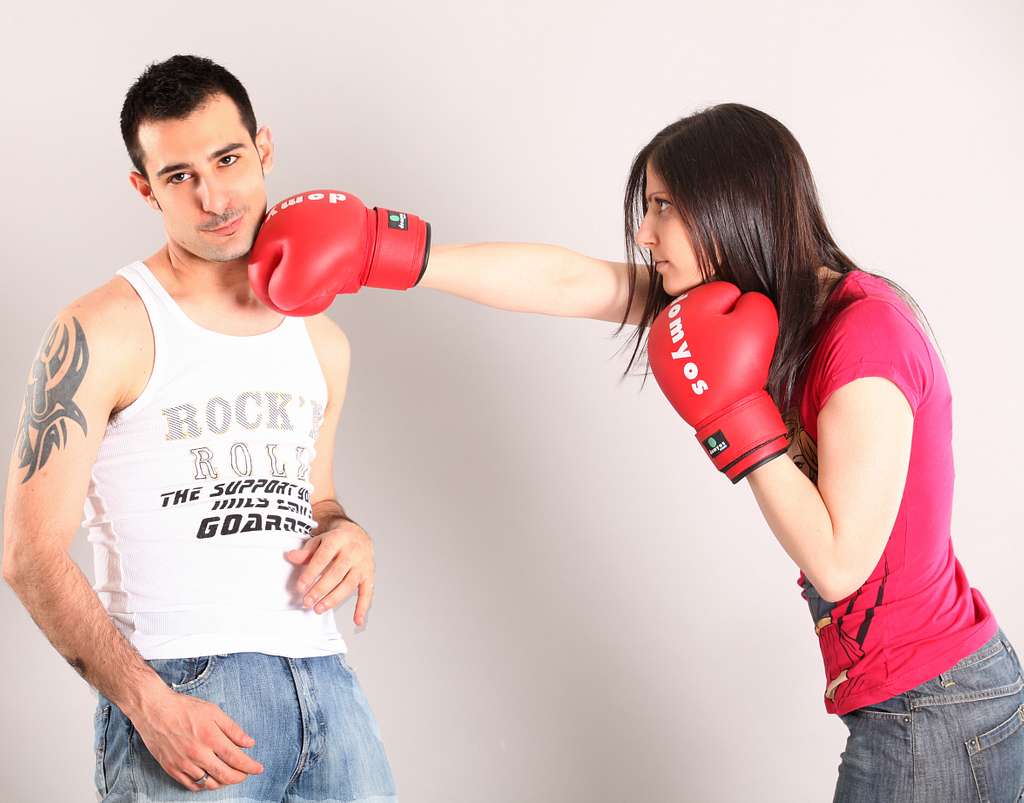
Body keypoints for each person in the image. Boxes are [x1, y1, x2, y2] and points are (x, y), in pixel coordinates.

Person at [254, 103, 1024, 800]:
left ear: (733, 205)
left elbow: (840, 562)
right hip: (916, 701)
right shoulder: (760, 310)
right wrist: (384, 255)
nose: (644, 233)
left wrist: (735, 416)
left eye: (662, 207)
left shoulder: (864, 338)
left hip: (938, 708)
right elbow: (569, 282)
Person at [1, 55, 403, 802]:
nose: (213, 195)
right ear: (144, 187)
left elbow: (317, 498)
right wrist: (147, 702)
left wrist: (348, 530)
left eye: (228, 158)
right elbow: (28, 552)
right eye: (179, 175)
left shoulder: (320, 339)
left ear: (264, 150)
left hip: (327, 686)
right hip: (185, 690)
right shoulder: (103, 328)